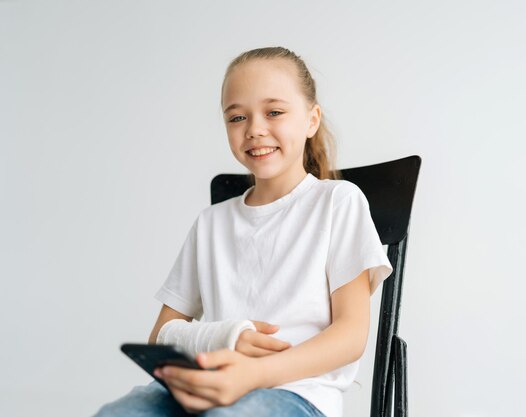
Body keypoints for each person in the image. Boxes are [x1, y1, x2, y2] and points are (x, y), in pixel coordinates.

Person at [93, 46, 393, 417]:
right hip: (207, 381)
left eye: (275, 112)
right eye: (236, 118)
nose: (254, 129)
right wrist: (225, 338)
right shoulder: (211, 223)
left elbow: (350, 336)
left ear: (311, 119)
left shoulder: (338, 203)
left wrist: (254, 374)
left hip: (296, 394)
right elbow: (162, 336)